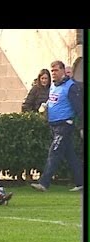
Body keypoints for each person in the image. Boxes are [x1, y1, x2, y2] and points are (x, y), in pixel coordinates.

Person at [31, 60, 83, 192]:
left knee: (54, 152)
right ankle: (81, 182)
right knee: (70, 155)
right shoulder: (53, 86)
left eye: (55, 71)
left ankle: (44, 183)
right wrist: (45, 106)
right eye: (52, 70)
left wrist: (82, 126)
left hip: (64, 125)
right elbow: (53, 100)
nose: (53, 73)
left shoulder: (70, 87)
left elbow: (79, 108)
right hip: (54, 125)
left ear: (62, 71)